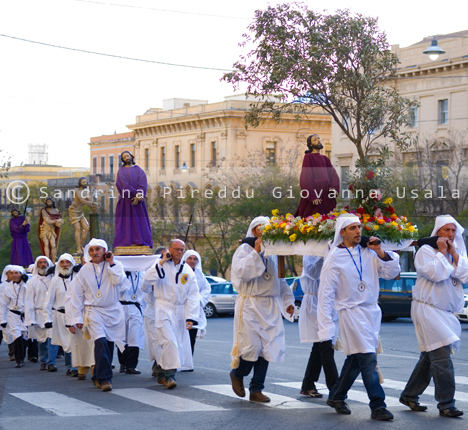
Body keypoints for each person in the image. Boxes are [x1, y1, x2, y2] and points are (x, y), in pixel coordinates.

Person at [318, 213, 400, 421]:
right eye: (353, 228)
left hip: (372, 311)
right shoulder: (334, 258)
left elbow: (391, 273)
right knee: (367, 357)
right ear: (342, 232)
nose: (358, 232)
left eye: (359, 227)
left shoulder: (370, 251)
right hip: (351, 312)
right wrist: (326, 325)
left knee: (357, 358)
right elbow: (326, 294)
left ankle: (337, 396)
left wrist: (379, 250)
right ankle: (378, 405)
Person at [400, 215, 468, 418]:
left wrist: (454, 253)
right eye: (446, 230)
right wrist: (444, 253)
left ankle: (409, 395)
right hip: (427, 309)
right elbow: (437, 274)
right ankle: (446, 404)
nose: (450, 234)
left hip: (446, 313)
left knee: (430, 357)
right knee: (441, 359)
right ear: (437, 232)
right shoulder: (425, 251)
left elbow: (464, 276)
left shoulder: (456, 252)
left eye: (453, 231)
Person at [229, 216, 295, 403]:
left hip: (270, 306)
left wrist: (288, 302)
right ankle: (237, 373)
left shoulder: (275, 252)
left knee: (267, 349)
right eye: (261, 228)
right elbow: (242, 274)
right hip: (250, 304)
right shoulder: (244, 249)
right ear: (254, 231)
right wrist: (256, 252)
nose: (265, 232)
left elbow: (281, 281)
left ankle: (256, 389)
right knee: (251, 349)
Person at [67, 238, 125, 391]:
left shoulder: (115, 266)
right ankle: (106, 379)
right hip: (93, 311)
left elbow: (119, 281)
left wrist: (111, 263)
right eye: (92, 250)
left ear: (105, 251)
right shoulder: (84, 270)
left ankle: (97, 375)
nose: (94, 252)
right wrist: (77, 318)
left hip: (112, 311)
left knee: (109, 345)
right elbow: (77, 295)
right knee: (100, 343)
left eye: (98, 249)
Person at [143, 239, 200, 389]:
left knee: (173, 344)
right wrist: (161, 263)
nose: (179, 252)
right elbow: (147, 282)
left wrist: (191, 317)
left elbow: (193, 295)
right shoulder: (159, 266)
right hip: (163, 308)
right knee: (169, 342)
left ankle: (161, 373)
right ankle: (170, 376)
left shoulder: (187, 270)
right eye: (176, 249)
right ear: (169, 249)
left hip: (179, 311)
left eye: (182, 249)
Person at [299, 255, 339, 398]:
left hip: (329, 303)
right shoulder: (310, 254)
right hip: (315, 303)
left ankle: (308, 384)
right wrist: (324, 255)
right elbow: (313, 273)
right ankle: (335, 388)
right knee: (325, 346)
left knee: (320, 347)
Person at [44, 253, 78, 376]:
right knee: (66, 342)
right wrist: (47, 319)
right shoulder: (55, 280)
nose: (65, 265)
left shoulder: (78, 277)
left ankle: (75, 367)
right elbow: (48, 301)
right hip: (60, 315)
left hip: (75, 314)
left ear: (72, 264)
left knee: (75, 341)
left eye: (67, 262)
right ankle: (70, 366)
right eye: (62, 262)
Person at [25, 256, 59, 372]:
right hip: (39, 313)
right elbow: (29, 300)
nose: (43, 265)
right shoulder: (33, 281)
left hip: (52, 312)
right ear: (37, 265)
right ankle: (44, 359)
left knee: (52, 337)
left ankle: (51, 362)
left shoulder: (55, 278)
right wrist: (30, 318)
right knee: (42, 340)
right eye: (40, 263)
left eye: (45, 262)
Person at [113, 151, 153, 249]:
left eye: (128, 155)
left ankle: (140, 241)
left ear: (131, 156)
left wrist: (139, 196)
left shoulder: (139, 170)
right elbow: (123, 185)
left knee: (139, 222)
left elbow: (142, 183)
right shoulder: (121, 171)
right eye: (124, 157)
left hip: (138, 202)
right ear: (122, 160)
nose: (127, 157)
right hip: (126, 202)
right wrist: (135, 194)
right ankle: (126, 242)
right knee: (127, 224)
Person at [294, 134, 340, 218]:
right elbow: (305, 177)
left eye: (319, 138)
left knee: (330, 220)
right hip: (315, 197)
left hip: (326, 196)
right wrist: (312, 196)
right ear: (311, 145)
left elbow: (333, 175)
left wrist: (334, 188)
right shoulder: (308, 157)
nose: (318, 140)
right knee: (313, 221)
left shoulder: (325, 158)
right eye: (315, 140)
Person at [142, 246, 167, 383]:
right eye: (162, 256)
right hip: (152, 309)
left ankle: (163, 367)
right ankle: (162, 372)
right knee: (157, 341)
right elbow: (144, 287)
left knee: (167, 341)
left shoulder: (172, 270)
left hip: (167, 310)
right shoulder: (150, 271)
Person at [182, 250, 211, 356]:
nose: (192, 261)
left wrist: (198, 299)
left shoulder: (199, 275)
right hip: (181, 309)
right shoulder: (180, 272)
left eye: (195, 259)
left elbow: (206, 288)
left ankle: (188, 361)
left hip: (194, 311)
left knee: (191, 337)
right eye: (190, 258)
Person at [117, 270, 146, 375]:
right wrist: (125, 277)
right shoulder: (120, 272)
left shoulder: (142, 274)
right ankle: (123, 363)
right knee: (121, 336)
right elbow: (118, 290)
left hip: (135, 307)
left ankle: (131, 365)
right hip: (121, 306)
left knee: (134, 336)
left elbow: (144, 291)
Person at [0, 265, 28, 367]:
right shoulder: (7, 288)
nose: (14, 275)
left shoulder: (26, 285)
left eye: (17, 273)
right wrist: (2, 319)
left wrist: (25, 283)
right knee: (17, 338)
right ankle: (18, 360)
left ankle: (22, 357)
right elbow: (3, 304)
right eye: (12, 273)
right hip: (13, 315)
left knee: (24, 338)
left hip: (25, 316)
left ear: (21, 274)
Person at [68, 177, 99, 255]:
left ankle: (80, 246)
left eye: (86, 182)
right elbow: (82, 201)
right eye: (83, 182)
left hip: (80, 212)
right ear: (80, 183)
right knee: (78, 228)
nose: (85, 183)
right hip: (74, 210)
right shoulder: (76, 190)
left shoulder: (87, 191)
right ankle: (78, 248)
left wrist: (94, 207)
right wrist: (93, 203)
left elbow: (89, 201)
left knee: (86, 228)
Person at [38, 197, 64, 263]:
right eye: (48, 202)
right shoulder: (44, 210)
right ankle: (47, 260)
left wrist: (60, 221)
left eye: (50, 201)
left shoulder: (56, 210)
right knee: (46, 244)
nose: (49, 203)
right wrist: (57, 221)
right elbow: (47, 220)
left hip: (52, 229)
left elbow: (59, 218)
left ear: (53, 202)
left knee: (53, 245)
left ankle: (53, 261)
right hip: (45, 228)